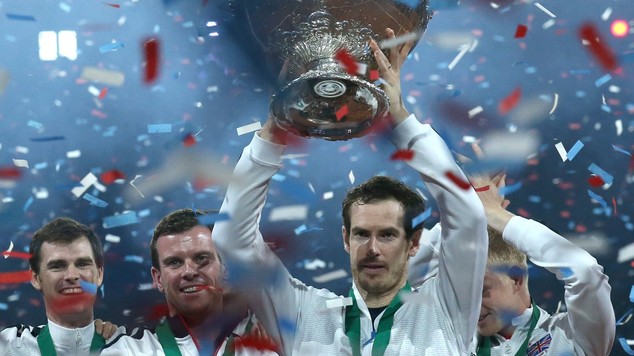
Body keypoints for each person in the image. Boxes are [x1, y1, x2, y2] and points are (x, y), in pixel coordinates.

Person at [213, 28, 489, 355]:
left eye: (387, 235)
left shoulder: (446, 310)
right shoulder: (305, 315)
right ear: (345, 239)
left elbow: (468, 216)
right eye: (361, 234)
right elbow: (230, 239)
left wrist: (400, 119)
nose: (371, 249)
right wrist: (274, 130)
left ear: (413, 243)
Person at [409, 158, 616, 355]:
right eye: (465, 291)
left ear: (516, 278)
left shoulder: (570, 338)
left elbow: (584, 269)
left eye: (481, 290)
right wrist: (465, 216)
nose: (471, 302)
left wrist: (495, 215)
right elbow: (403, 278)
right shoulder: (454, 340)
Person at [102, 208, 278, 355]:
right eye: (175, 262)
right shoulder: (128, 351)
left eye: (202, 258)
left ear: (225, 269)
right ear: (158, 278)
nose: (189, 272)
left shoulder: (265, 347)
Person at [0, 217, 121, 355]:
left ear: (99, 275)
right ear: (35, 278)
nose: (72, 275)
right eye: (57, 266)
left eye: (82, 264)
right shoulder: (9, 347)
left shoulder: (127, 346)